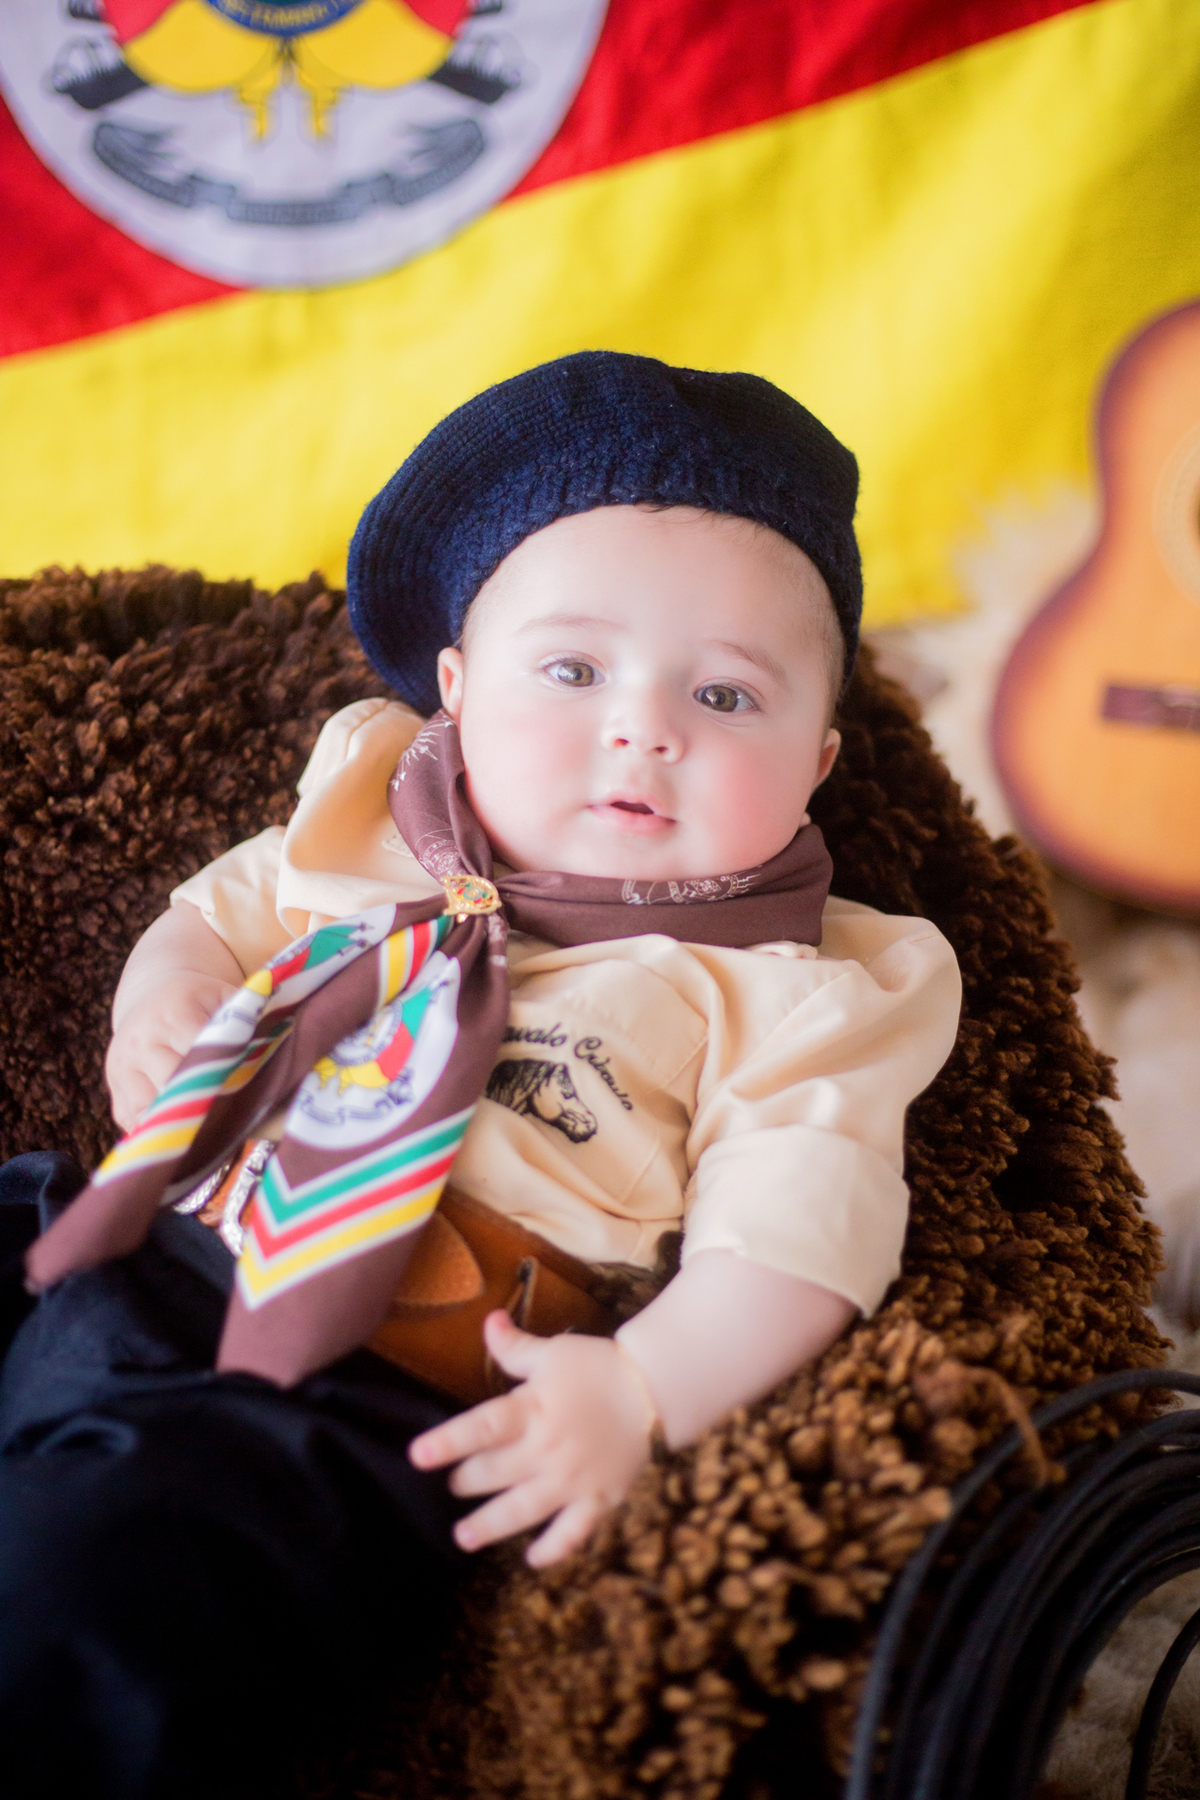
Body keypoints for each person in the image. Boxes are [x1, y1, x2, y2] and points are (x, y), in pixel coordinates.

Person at [0, 351, 961, 1797]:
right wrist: (170, 1012)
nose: (644, 727)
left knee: (92, 1576)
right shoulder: (368, 812)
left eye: (725, 694)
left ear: (818, 760)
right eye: (572, 671)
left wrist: (639, 1387)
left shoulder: (796, 984)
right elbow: (209, 916)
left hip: (351, 1393)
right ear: (453, 688)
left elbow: (807, 1230)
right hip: (139, 1237)